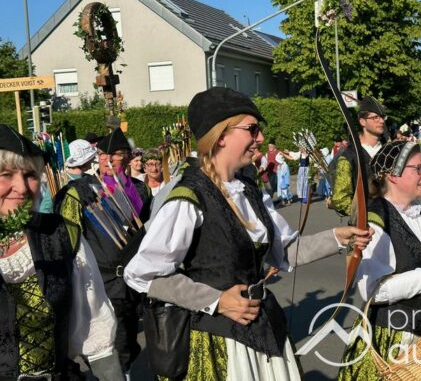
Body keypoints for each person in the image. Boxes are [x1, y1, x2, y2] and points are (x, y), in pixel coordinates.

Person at [124, 87, 372, 380]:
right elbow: (142, 274)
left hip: (263, 326)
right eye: (252, 129)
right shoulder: (188, 197)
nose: (261, 138)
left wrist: (337, 238)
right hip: (219, 340)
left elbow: (284, 252)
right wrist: (217, 300)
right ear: (221, 135)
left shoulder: (249, 190)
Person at [0, 124, 123, 380]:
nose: (22, 187)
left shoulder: (60, 235)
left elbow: (95, 326)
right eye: (6, 174)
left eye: (30, 174)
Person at [339, 141, 421, 380]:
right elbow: (372, 290)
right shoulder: (375, 221)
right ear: (393, 175)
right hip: (394, 337)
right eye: (418, 169)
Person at [54, 128, 147, 376]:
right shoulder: (80, 192)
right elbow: (69, 240)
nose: (108, 160)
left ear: (127, 157)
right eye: (104, 154)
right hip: (101, 281)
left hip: (132, 282)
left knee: (127, 343)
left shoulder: (140, 190)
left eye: (116, 154)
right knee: (110, 346)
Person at [331, 97, 385, 216]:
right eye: (375, 117)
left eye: (382, 117)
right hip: (366, 223)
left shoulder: (389, 151)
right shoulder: (349, 157)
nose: (381, 121)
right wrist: (364, 215)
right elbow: (340, 199)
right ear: (362, 122)